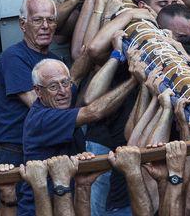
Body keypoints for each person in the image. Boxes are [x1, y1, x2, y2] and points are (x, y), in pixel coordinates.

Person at [18, 58, 136, 216]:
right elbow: (94, 112)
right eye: (53, 86)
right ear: (38, 91)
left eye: (65, 83)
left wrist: (110, 54)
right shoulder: (42, 118)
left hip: (66, 203)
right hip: (40, 209)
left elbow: (77, 75)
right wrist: (135, 79)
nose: (63, 91)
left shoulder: (59, 96)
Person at [0, 0, 61, 176]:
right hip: (16, 150)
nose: (45, 26)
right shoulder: (14, 57)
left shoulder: (55, 60)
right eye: (38, 20)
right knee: (11, 203)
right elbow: (38, 104)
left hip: (45, 146)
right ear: (23, 25)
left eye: (51, 20)